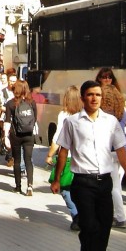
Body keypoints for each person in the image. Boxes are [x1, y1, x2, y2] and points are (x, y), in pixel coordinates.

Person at [50, 80, 126, 251]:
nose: (95, 98)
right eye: (90, 95)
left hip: (104, 181)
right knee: (90, 228)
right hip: (83, 183)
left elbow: (120, 149)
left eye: (98, 94)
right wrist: (58, 179)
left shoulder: (111, 122)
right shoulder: (72, 122)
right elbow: (63, 151)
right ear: (83, 98)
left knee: (104, 227)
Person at [46, 86, 82, 231]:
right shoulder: (84, 114)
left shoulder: (64, 115)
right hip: (82, 158)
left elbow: (58, 138)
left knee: (65, 188)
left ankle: (76, 215)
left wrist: (50, 155)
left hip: (67, 158)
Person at [100, 83, 126, 228]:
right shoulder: (122, 111)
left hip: (111, 151)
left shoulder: (104, 114)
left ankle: (119, 216)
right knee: (117, 184)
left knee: (113, 186)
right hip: (125, 151)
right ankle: (116, 214)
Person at [5, 80, 38, 196]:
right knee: (28, 160)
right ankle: (30, 185)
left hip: (16, 135)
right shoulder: (32, 102)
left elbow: (7, 121)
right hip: (29, 135)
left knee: (17, 161)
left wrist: (5, 137)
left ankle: (18, 186)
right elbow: (35, 119)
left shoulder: (10, 104)